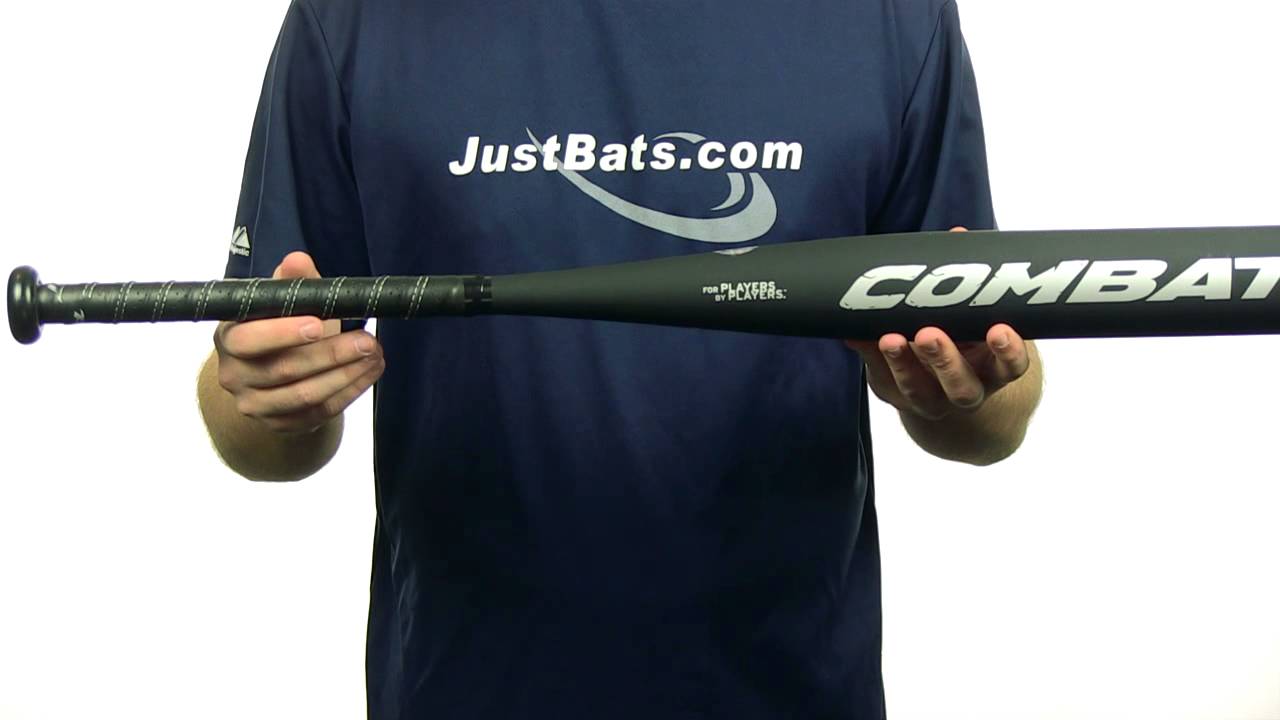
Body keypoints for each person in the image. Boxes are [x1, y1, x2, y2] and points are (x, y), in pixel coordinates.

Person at [196, 0, 1043, 717]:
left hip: (794, 687)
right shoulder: (353, 19)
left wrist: (964, 393)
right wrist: (270, 397)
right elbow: (250, 420)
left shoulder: (891, 17)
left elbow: (993, 411)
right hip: (460, 686)